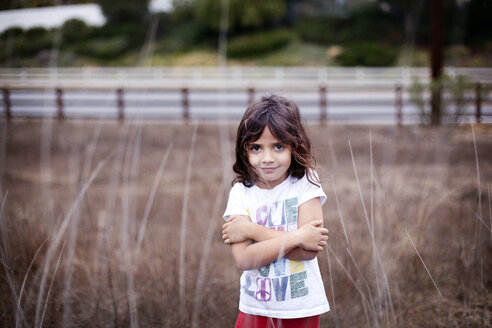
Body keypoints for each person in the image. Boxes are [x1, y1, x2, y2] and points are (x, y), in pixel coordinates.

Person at [222, 95, 330, 328]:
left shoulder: (306, 183)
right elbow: (244, 258)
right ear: (244, 150)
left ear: (294, 146)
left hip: (301, 308)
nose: (267, 159)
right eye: (256, 148)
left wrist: (251, 230)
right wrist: (297, 237)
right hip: (255, 310)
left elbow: (307, 251)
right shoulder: (241, 193)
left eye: (278, 146)